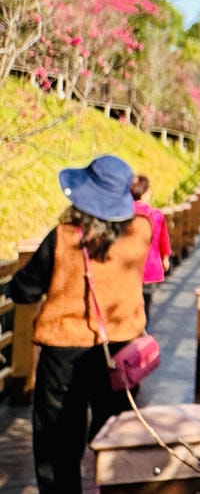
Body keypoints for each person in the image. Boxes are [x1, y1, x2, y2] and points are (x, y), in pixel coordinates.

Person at [11, 154, 152, 494]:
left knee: (58, 441)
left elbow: (25, 289)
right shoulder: (141, 232)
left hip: (64, 351)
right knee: (117, 435)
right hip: (120, 351)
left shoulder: (63, 238)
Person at [131, 174, 171, 325]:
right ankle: (143, 332)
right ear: (146, 192)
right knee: (145, 304)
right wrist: (165, 258)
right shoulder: (156, 214)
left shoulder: (123, 214)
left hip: (129, 267)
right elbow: (163, 239)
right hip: (150, 266)